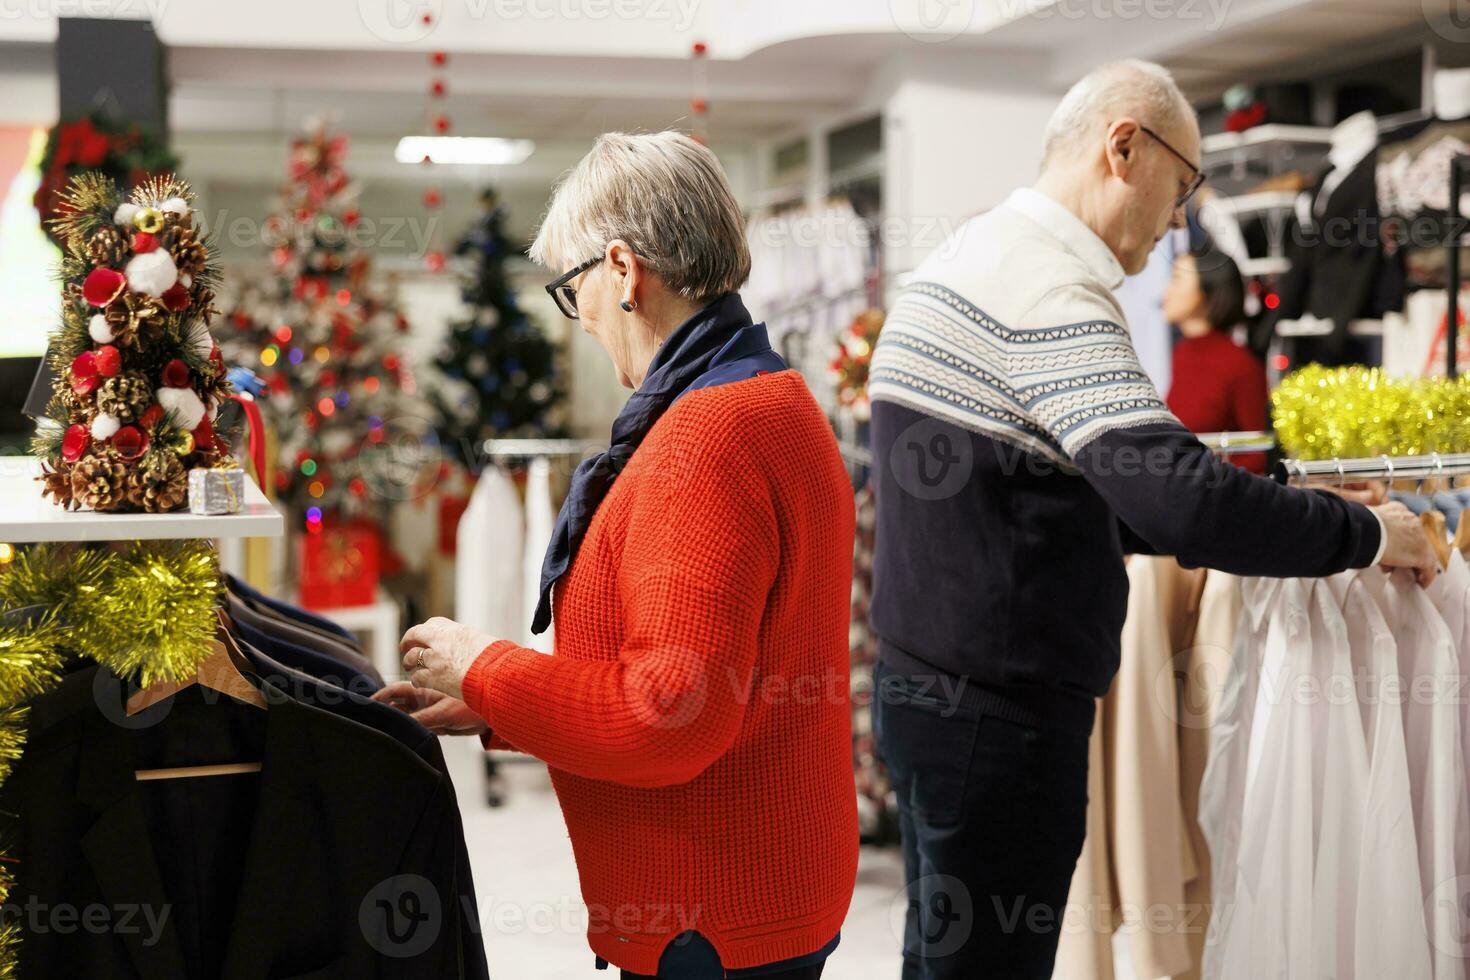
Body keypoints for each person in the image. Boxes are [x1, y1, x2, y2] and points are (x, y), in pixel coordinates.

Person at [865, 59, 1436, 980]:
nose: (1179, 221)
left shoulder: (968, 258)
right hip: (996, 718)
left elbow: (1072, 493)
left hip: (932, 691)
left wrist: (1308, 507)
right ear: (1123, 147)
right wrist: (1371, 537)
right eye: (1183, 187)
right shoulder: (1048, 289)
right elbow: (1180, 499)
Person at [374, 131, 859, 980]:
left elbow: (664, 715)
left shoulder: (705, 436)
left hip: (709, 908)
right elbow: (719, 670)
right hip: (762, 890)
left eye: (573, 288)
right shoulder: (774, 398)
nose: (583, 316)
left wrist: (484, 665)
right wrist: (506, 708)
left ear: (624, 270)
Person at [1162, 246, 1270, 471]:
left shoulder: (1240, 365)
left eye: (1177, 279)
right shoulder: (1182, 354)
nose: (1167, 292)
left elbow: (1259, 451)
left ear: (1206, 289)